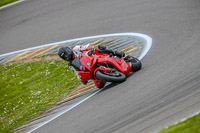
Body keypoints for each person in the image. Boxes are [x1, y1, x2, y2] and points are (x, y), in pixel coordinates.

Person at [58, 43, 126, 88]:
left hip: (93, 57)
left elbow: (87, 46)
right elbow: (77, 73)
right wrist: (82, 79)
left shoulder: (76, 49)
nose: (66, 56)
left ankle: (116, 53)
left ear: (68, 50)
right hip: (89, 68)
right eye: (64, 56)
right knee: (99, 85)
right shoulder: (70, 64)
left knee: (99, 48)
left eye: (66, 54)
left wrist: (89, 48)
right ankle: (109, 73)